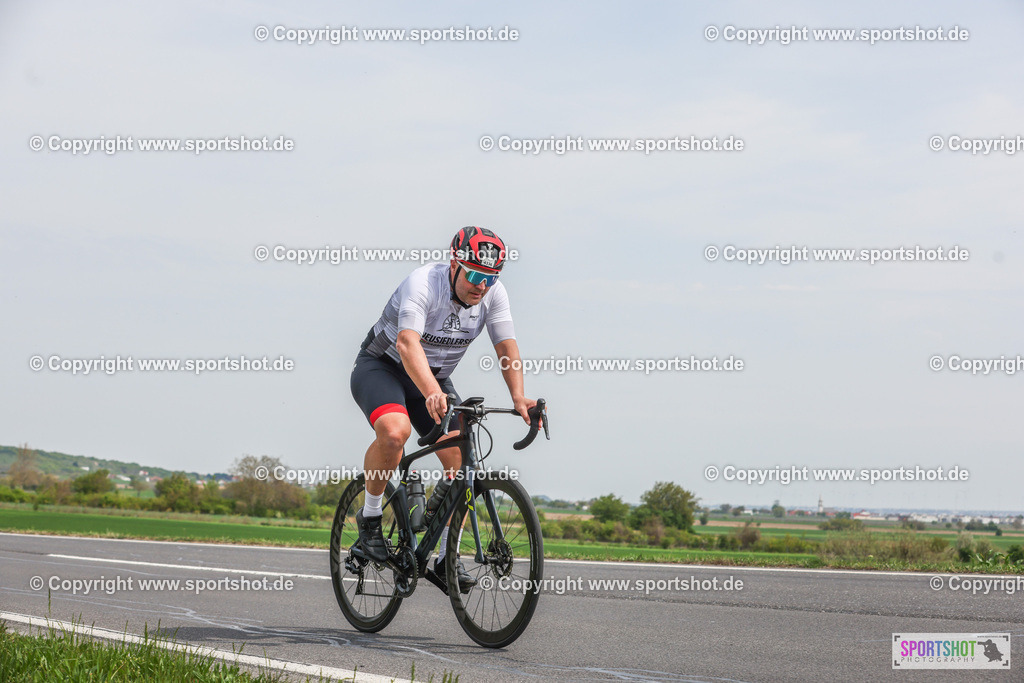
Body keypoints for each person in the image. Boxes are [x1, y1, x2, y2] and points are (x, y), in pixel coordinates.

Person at [350, 226, 539, 593]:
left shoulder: (493, 295)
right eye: (474, 275)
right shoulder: (423, 282)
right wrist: (432, 390)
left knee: (461, 461)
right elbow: (407, 344)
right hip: (384, 367)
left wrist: (519, 396)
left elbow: (506, 346)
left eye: (490, 277)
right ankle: (370, 518)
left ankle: (439, 556)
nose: (481, 285)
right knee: (395, 433)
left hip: (433, 378)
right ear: (454, 263)